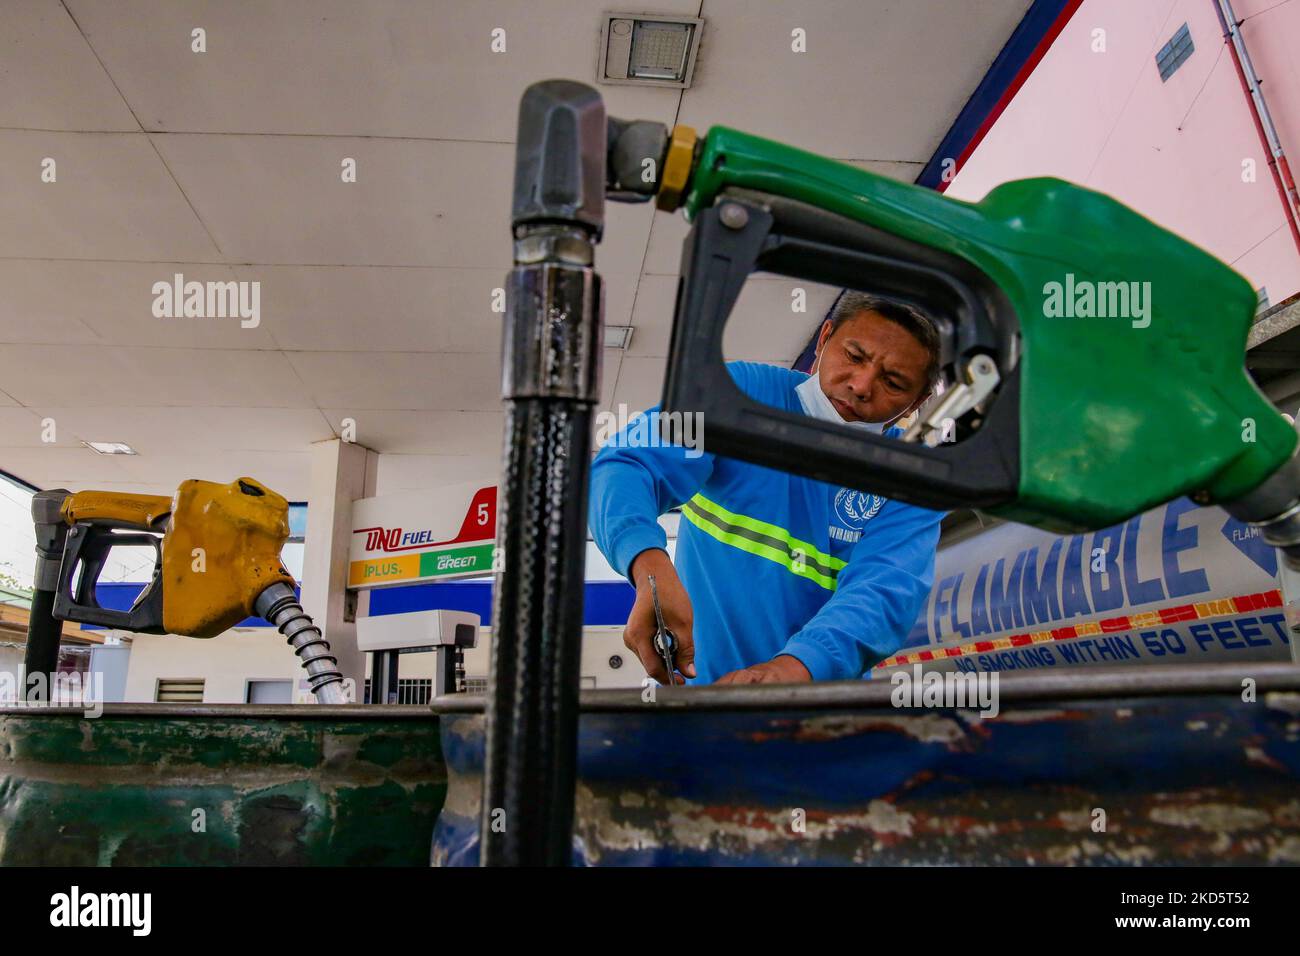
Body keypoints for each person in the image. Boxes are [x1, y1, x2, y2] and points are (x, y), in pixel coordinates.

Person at [589, 291, 946, 685]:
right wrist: (649, 570)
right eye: (854, 356)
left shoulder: (913, 479)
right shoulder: (738, 397)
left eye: (893, 382)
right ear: (824, 338)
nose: (861, 385)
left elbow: (883, 593)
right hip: (696, 699)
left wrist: (792, 672)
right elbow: (628, 464)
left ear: (918, 402)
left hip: (814, 711)